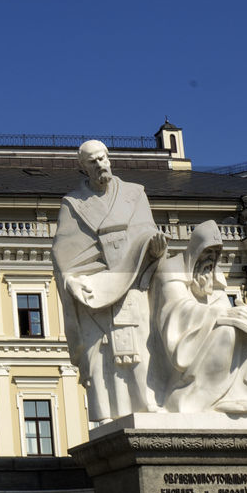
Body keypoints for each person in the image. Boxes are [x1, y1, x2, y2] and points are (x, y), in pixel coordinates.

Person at [53, 140, 167, 423]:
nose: (100, 164)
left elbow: (147, 231)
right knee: (99, 354)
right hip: (94, 290)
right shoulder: (73, 204)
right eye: (92, 161)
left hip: (133, 282)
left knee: (139, 346)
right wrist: (71, 280)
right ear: (83, 167)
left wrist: (155, 247)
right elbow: (65, 251)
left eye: (103, 158)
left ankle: (146, 401)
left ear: (110, 158)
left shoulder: (134, 193)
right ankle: (105, 414)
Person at [150, 220, 247, 416]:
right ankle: (191, 399)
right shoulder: (171, 269)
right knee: (226, 333)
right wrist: (221, 315)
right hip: (178, 341)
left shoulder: (212, 275)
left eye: (215, 255)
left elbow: (222, 305)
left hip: (205, 329)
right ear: (195, 251)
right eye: (206, 253)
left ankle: (238, 396)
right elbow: (176, 310)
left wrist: (243, 315)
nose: (210, 260)